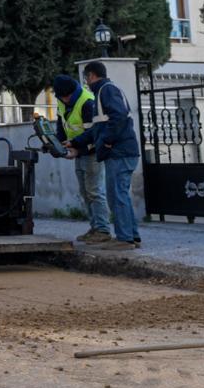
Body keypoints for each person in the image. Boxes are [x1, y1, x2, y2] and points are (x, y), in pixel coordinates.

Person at [66, 62, 141, 249]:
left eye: (86, 78)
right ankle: (132, 236)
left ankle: (125, 239)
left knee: (116, 195)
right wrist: (74, 142)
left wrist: (107, 141)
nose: (85, 82)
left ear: (91, 76)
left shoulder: (106, 91)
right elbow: (96, 129)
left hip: (119, 152)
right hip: (121, 151)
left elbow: (119, 117)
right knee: (120, 194)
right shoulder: (104, 92)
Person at [53, 73, 110, 244]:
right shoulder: (61, 102)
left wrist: (76, 146)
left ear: (72, 92)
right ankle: (95, 228)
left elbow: (94, 132)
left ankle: (103, 230)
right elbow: (61, 124)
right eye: (62, 98)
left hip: (91, 152)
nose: (65, 100)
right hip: (78, 149)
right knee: (85, 193)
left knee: (94, 191)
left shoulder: (87, 102)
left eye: (67, 97)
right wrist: (60, 143)